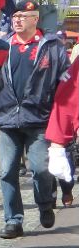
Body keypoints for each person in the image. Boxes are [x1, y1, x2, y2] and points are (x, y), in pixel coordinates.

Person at [0, 0, 70, 237]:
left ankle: (45, 203)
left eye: (23, 16)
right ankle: (13, 220)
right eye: (14, 16)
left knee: (39, 168)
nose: (17, 20)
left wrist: (61, 117)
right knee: (7, 171)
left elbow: (64, 85)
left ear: (35, 19)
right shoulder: (3, 46)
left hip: (39, 119)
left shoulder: (51, 47)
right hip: (7, 119)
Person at [46, 55, 78, 207]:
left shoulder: (60, 57)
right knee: (44, 161)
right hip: (38, 114)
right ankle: (49, 198)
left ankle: (67, 188)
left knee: (65, 156)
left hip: (59, 111)